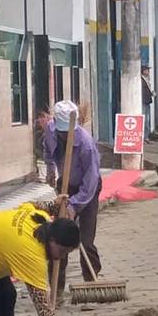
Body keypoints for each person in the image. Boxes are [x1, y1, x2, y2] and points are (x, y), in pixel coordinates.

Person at [43, 99, 103, 297]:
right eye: (61, 132)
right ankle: (56, 289)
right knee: (58, 238)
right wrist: (51, 168)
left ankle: (92, 286)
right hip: (65, 187)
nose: (63, 135)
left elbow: (91, 180)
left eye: (66, 132)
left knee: (86, 240)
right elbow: (47, 150)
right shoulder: (51, 130)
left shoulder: (86, 144)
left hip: (87, 191)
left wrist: (75, 206)